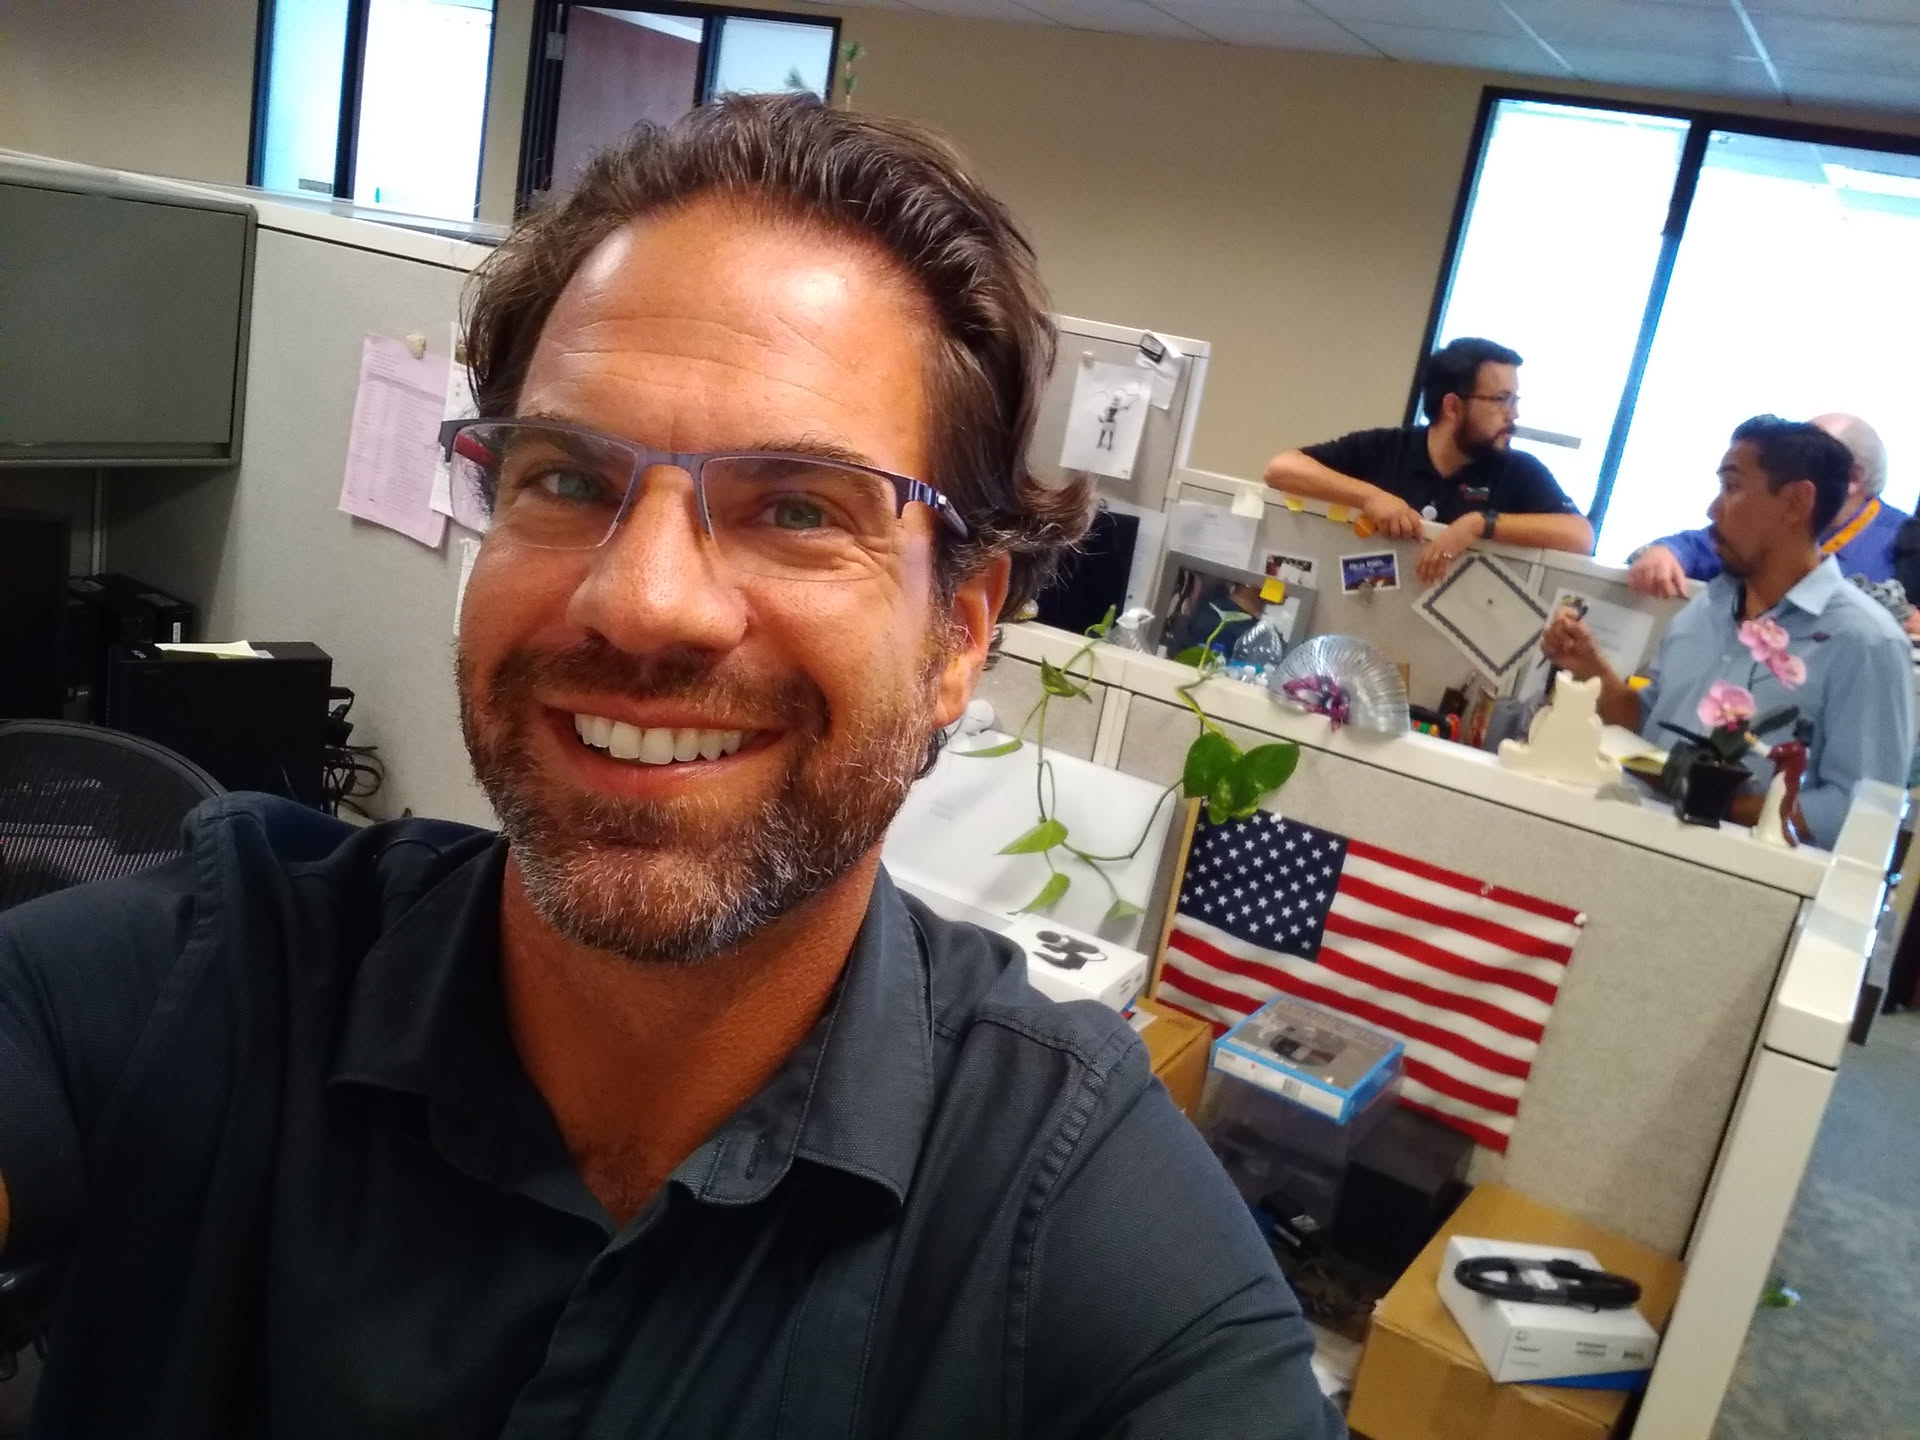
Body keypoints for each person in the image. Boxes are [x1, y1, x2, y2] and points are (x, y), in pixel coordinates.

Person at [0, 97, 1343, 1438]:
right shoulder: (225, 979)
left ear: (958, 637)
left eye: (799, 508)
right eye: (567, 480)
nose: (642, 602)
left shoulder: (1069, 1224)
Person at [1543, 415, 1912, 849]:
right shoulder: (1706, 608)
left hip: (1747, 875)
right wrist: (1592, 670)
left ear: (1796, 502)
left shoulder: (1865, 641)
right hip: (1633, 843)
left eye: (1731, 487)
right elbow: (1650, 729)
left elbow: (1861, 812)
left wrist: (1715, 803)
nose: (1713, 510)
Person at [1263, 336, 1594, 583]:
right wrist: (1371, 497)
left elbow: (1580, 537)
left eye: (1515, 400)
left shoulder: (1518, 470)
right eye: (1501, 400)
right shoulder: (1386, 447)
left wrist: (1480, 524)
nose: (1514, 414)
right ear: (1453, 407)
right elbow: (1281, 469)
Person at [1627, 412, 1909, 606]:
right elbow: (1701, 545)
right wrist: (1666, 553)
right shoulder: (1770, 523)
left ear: (1853, 479)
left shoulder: (1906, 542)